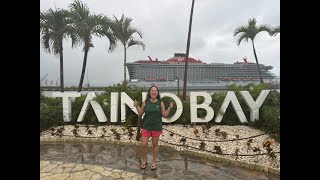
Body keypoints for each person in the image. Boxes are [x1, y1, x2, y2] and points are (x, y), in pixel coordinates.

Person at [134, 85, 174, 170]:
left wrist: (169, 108)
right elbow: (140, 113)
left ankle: (154, 162)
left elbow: (164, 115)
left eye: (155, 91)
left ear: (157, 93)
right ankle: (144, 160)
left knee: (155, 145)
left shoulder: (160, 103)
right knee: (144, 145)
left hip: (156, 127)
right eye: (152, 90)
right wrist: (136, 106)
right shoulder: (145, 102)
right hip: (146, 126)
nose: (153, 92)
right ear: (149, 92)